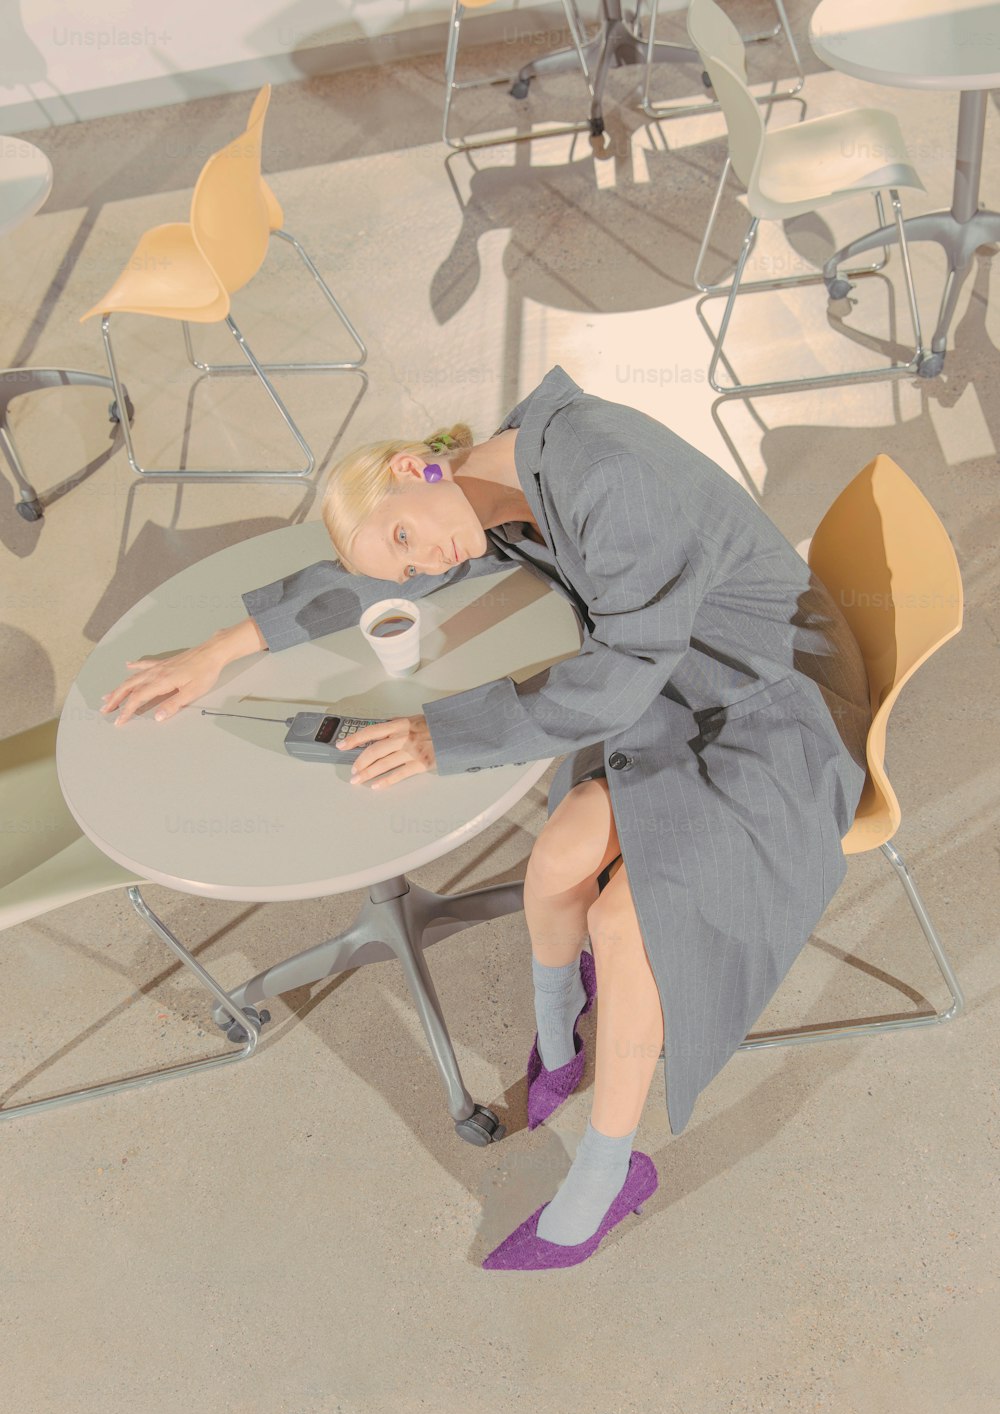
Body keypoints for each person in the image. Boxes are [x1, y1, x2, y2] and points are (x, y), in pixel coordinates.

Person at [100, 366, 871, 1271]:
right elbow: (371, 581)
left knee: (628, 920)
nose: (432, 565)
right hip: (686, 688)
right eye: (410, 559)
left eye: (405, 538)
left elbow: (620, 670)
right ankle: (558, 1036)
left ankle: (608, 1172)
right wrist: (216, 650)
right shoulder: (499, 475)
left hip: (772, 707)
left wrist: (444, 736)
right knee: (553, 863)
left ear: (408, 466)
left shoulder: (601, 477)